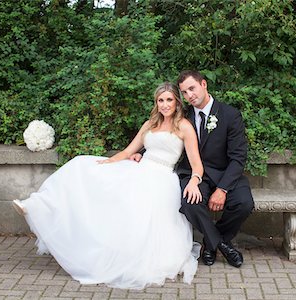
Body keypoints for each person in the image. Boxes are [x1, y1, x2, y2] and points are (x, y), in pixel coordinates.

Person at [12, 82, 204, 289]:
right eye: (160, 100)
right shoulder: (150, 124)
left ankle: (124, 255)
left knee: (135, 208)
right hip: (140, 169)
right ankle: (37, 204)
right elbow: (128, 151)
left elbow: (196, 165)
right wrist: (106, 164)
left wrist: (194, 181)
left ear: (177, 102)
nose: (165, 105)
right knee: (80, 165)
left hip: (162, 178)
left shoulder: (184, 126)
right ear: (156, 103)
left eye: (169, 100)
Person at [131, 70, 254, 268]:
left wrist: (222, 190)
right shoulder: (182, 114)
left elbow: (238, 157)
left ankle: (211, 242)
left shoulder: (230, 115)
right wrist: (142, 152)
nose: (190, 96)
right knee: (190, 204)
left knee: (244, 204)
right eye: (185, 92)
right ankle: (222, 245)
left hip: (225, 173)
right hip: (195, 175)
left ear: (204, 84)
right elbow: (163, 133)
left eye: (192, 88)